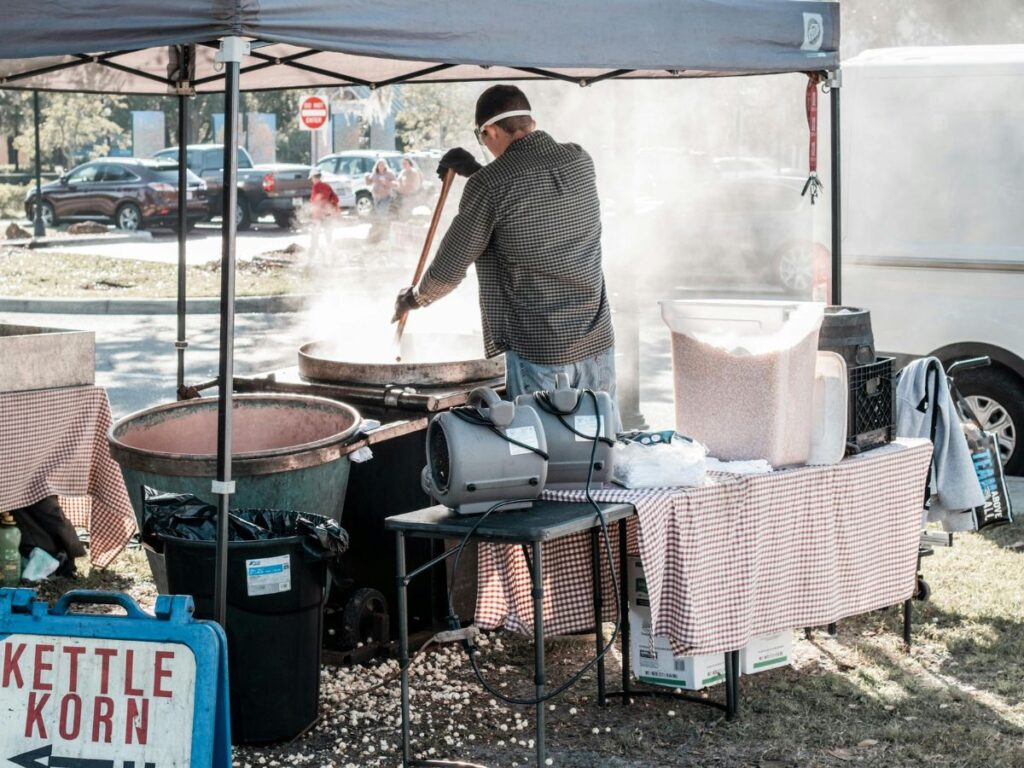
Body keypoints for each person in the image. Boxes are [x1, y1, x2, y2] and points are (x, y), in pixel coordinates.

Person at [391, 84, 616, 401]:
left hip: (541, 352)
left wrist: (414, 298)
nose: (483, 143)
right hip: (597, 343)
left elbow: (449, 270)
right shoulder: (579, 160)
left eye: (481, 136)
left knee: (539, 448)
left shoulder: (490, 186)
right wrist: (478, 172)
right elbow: (529, 202)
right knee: (599, 442)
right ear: (530, 124)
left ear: (491, 131)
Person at [308, 167, 339, 262]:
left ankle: (312, 257)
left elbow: (316, 201)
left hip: (319, 216)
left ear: (314, 177)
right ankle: (333, 256)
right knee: (328, 237)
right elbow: (336, 199)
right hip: (328, 215)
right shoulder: (327, 186)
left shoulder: (316, 187)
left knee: (315, 236)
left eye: (312, 178)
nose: (312, 180)